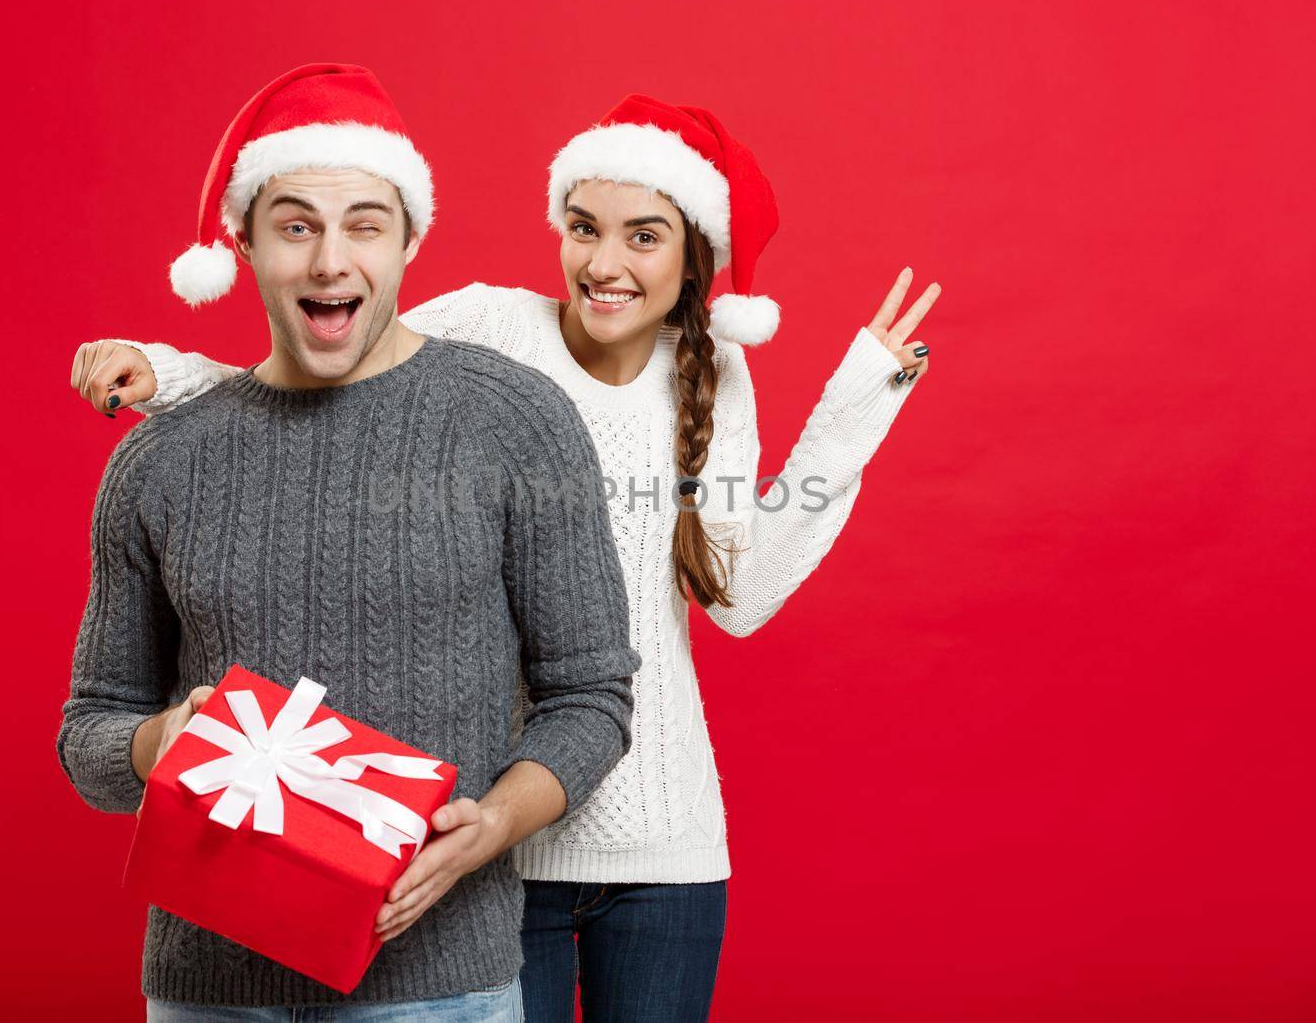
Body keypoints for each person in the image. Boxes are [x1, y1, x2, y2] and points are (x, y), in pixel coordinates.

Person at [73, 93, 937, 1022]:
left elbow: (740, 594)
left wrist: (854, 413)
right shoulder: (493, 331)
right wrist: (173, 377)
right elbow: (341, 365)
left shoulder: (714, 378)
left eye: (643, 238)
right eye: (582, 228)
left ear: (692, 261)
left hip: (655, 839)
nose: (603, 264)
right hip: (493, 849)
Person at [55, 63, 640, 1023]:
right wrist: (162, 741)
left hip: (442, 984)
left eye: (365, 224)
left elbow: (593, 695)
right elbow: (90, 730)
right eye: (296, 226)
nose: (331, 262)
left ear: (412, 238)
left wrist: (491, 825)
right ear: (243, 241)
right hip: (213, 992)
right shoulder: (159, 462)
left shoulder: (514, 420)